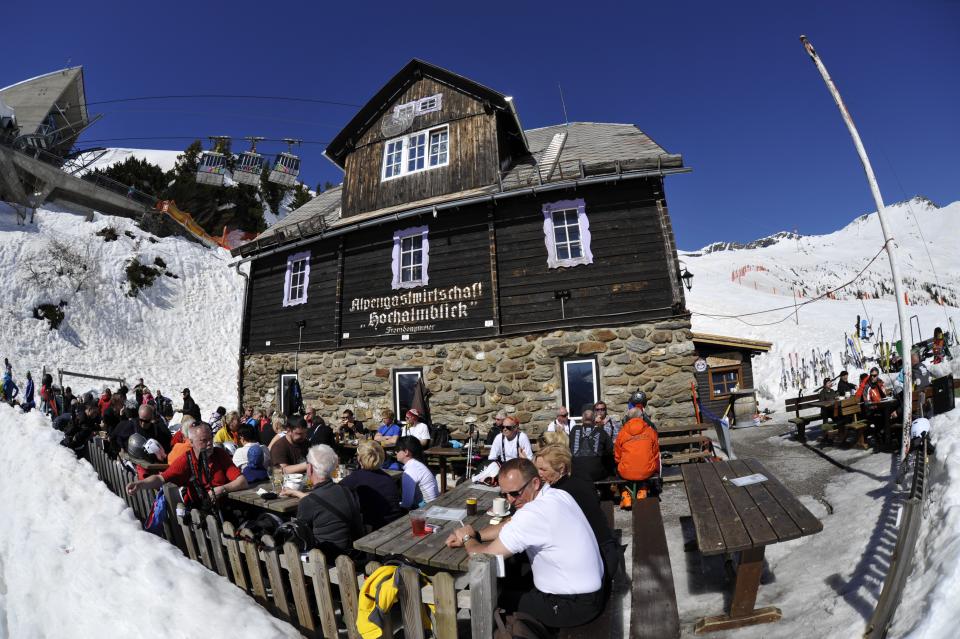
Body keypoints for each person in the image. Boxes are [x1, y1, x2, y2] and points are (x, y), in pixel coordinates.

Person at [445, 459, 604, 629]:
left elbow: (483, 558)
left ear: (535, 483)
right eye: (504, 494)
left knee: (484, 597)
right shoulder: (557, 495)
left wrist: (468, 538)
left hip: (572, 604)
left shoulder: (533, 513)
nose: (510, 500)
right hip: (590, 592)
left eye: (515, 493)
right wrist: (476, 534)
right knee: (511, 572)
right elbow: (512, 523)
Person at [534, 444, 619, 592]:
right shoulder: (577, 476)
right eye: (537, 469)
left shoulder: (561, 494)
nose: (539, 474)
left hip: (599, 563)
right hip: (607, 549)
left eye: (543, 469)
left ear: (561, 468)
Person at [126, 422, 248, 509]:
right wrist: (139, 484)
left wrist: (222, 489)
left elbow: (242, 481)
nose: (210, 443)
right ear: (191, 442)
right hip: (203, 512)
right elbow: (160, 478)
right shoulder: (186, 460)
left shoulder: (220, 454)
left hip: (227, 509)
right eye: (204, 440)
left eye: (210, 438)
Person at [281, 444, 364, 557]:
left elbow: (301, 535)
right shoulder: (347, 491)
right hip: (351, 553)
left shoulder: (308, 502)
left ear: (309, 468)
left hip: (326, 559)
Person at [339, 440, 402, 530]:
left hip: (373, 529)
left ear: (359, 459)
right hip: (393, 524)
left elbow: (336, 491)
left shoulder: (355, 478)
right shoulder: (388, 479)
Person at [614, 406, 661, 507]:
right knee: (645, 467)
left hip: (626, 471)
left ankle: (625, 494)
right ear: (642, 417)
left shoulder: (622, 433)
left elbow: (617, 456)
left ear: (628, 418)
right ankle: (643, 490)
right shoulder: (650, 431)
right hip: (647, 470)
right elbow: (655, 452)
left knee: (618, 470)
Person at [569, 409, 614, 482]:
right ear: (594, 419)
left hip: (576, 473)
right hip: (595, 474)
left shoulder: (574, 429)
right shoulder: (601, 431)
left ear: (582, 419)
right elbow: (610, 450)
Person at [396, 436, 438, 509]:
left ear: (406, 452)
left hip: (427, 509)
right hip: (433, 504)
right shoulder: (417, 464)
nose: (395, 452)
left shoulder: (410, 471)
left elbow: (407, 504)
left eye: (397, 450)